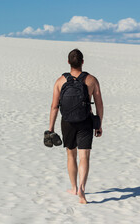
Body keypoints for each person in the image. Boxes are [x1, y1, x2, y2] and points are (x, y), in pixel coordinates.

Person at [48, 49, 103, 204]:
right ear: (83, 62)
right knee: (84, 156)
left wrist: (50, 129)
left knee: (71, 155)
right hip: (85, 121)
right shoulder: (92, 80)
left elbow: (54, 107)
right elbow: (99, 104)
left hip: (67, 123)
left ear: (68, 62)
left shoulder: (60, 81)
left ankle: (73, 187)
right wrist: (98, 124)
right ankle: (82, 189)